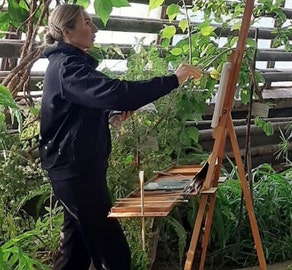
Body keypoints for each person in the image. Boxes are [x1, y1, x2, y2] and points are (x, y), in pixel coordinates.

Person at [38, 4, 201, 270]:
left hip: (74, 169)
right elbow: (117, 92)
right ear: (67, 31)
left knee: (74, 255)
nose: (94, 28)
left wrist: (108, 115)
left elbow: (76, 111)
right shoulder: (68, 67)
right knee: (113, 255)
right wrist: (173, 79)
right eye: (87, 22)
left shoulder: (70, 65)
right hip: (75, 172)